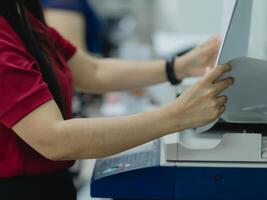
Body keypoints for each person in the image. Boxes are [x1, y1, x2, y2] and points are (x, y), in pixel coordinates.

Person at [0, 0, 234, 199]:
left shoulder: (22, 17)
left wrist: (179, 67)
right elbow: (55, 139)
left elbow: (92, 70)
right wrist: (177, 116)